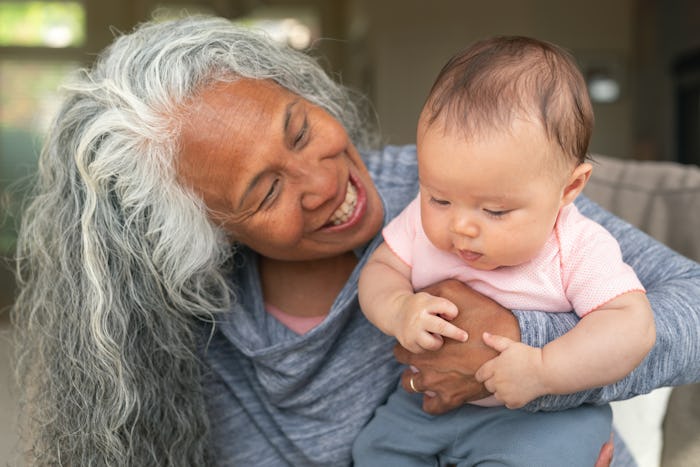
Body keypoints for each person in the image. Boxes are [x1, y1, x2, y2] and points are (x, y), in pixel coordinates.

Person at [9, 14, 700, 467]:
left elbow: (690, 306)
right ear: (205, 234)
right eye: (266, 190)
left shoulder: (456, 190)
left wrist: (529, 344)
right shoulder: (194, 340)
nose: (323, 181)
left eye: (300, 128)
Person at [354, 36, 656, 466]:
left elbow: (632, 325)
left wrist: (544, 369)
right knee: (373, 451)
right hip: (429, 406)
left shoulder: (577, 246)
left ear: (569, 188)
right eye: (439, 198)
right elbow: (381, 268)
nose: (460, 226)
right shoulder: (420, 222)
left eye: (495, 210)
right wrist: (398, 308)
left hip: (541, 417)